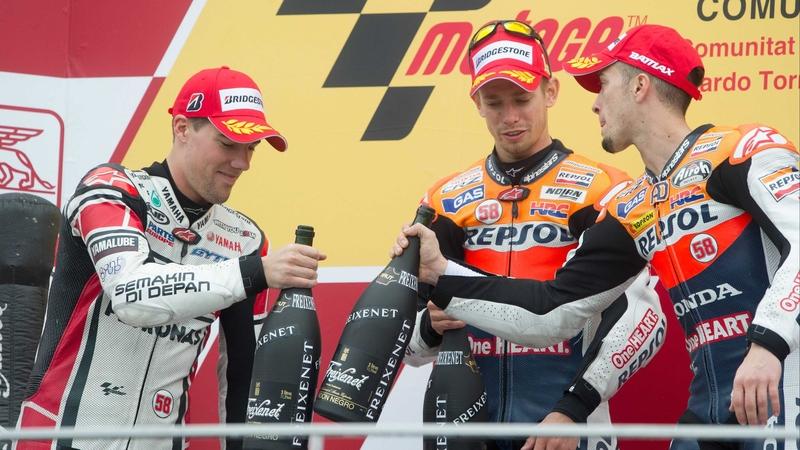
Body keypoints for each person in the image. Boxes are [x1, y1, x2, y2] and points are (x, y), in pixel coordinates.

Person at [395, 24, 799, 450]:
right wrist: (442, 274)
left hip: (782, 385)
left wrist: (767, 344)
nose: (594, 103)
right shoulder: (633, 206)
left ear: (640, 86)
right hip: (712, 409)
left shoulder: (742, 149)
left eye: (603, 85)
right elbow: (550, 315)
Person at [15, 66, 326, 450]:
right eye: (228, 143)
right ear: (182, 128)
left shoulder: (246, 240)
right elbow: (131, 296)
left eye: (251, 148)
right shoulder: (111, 191)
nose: (242, 163)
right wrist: (253, 273)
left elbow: (244, 377)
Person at [402, 20, 664, 450]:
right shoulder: (445, 199)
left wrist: (571, 409)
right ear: (477, 103)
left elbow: (645, 319)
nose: (509, 117)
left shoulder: (605, 189)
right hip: (465, 428)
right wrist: (428, 328)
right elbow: (406, 347)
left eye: (522, 99)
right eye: (494, 102)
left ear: (550, 92)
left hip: (565, 427)